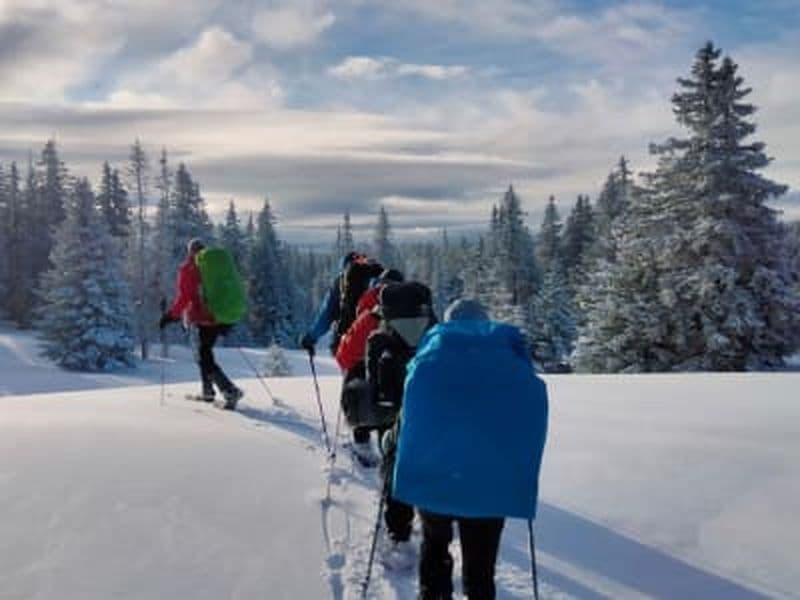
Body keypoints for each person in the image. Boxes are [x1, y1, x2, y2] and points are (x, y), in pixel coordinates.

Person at [392, 298, 549, 600]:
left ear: (448, 324)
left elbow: (410, 414)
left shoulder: (427, 361)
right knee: (481, 566)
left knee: (434, 545)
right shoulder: (512, 362)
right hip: (490, 484)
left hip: (435, 476)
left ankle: (433, 594)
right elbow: (528, 416)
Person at [160, 238, 243, 408]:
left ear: (190, 252)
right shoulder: (212, 266)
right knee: (205, 352)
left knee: (203, 355)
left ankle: (228, 390)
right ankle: (208, 391)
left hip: (203, 318)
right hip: (219, 316)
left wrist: (171, 315)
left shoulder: (189, 269)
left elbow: (185, 296)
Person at [335, 268, 405, 466]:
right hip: (397, 395)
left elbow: (344, 357)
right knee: (390, 423)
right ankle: (389, 458)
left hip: (364, 396)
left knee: (362, 411)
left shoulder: (368, 316)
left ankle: (364, 450)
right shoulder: (412, 318)